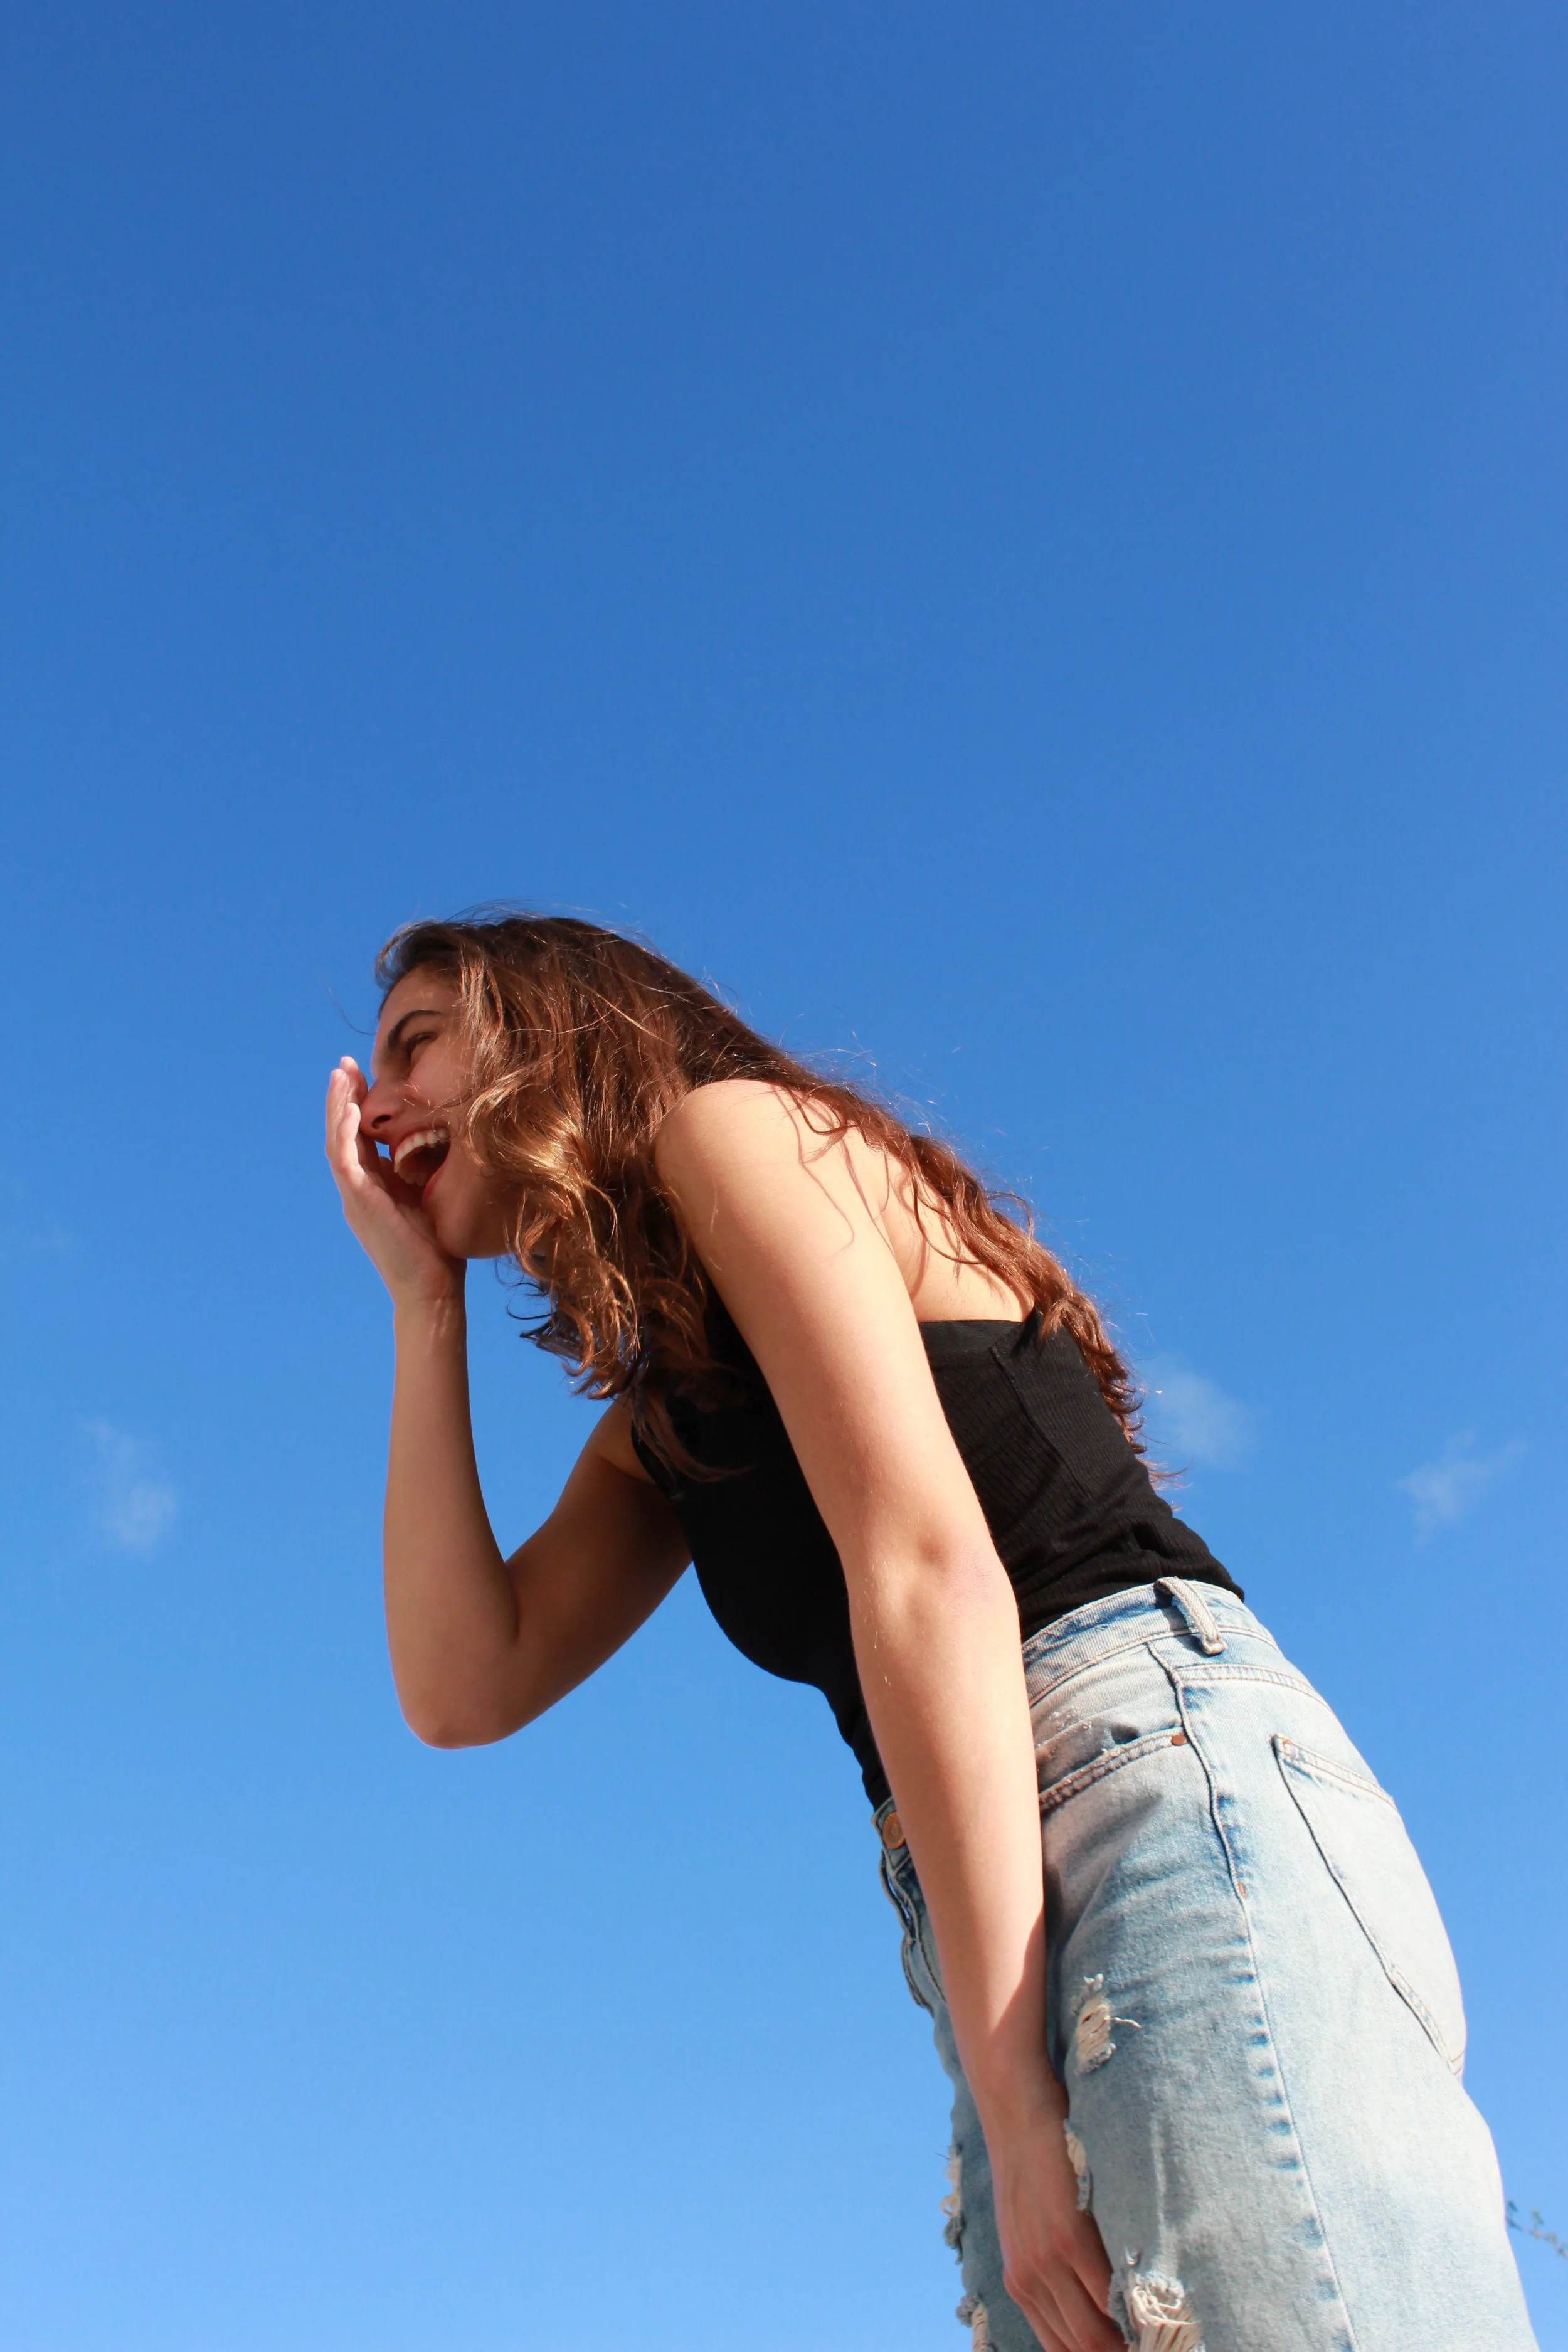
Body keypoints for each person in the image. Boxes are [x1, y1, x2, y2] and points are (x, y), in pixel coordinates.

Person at [324, 911, 1535, 2352]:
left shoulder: (732, 1132)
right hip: (988, 1916)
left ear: (552, 1032)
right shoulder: (666, 1418)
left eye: (419, 1043)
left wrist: (1021, 2105)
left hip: (1144, 1787)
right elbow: (465, 1684)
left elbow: (922, 1568)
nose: (375, 1096)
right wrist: (423, 1308)